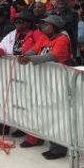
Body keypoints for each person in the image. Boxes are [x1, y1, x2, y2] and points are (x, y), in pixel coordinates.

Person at [18, 14, 73, 160]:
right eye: (42, 25)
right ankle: (43, 138)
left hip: (60, 81)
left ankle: (59, 148)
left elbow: (53, 56)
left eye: (46, 24)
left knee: (57, 114)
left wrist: (30, 59)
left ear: (55, 26)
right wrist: (25, 55)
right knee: (44, 110)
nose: (43, 27)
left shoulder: (62, 38)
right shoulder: (44, 37)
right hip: (46, 82)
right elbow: (34, 49)